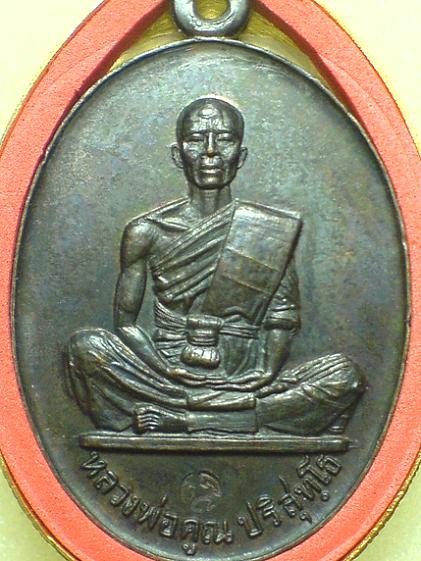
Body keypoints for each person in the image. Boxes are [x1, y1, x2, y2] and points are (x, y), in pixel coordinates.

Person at [66, 97, 366, 436]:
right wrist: (167, 370)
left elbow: (282, 316)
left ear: (241, 155)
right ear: (178, 155)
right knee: (85, 349)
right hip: (167, 377)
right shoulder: (146, 231)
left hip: (247, 379)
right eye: (196, 139)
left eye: (224, 139)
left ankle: (188, 420)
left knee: (344, 375)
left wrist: (267, 372)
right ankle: (239, 416)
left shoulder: (268, 229)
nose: (210, 151)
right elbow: (126, 323)